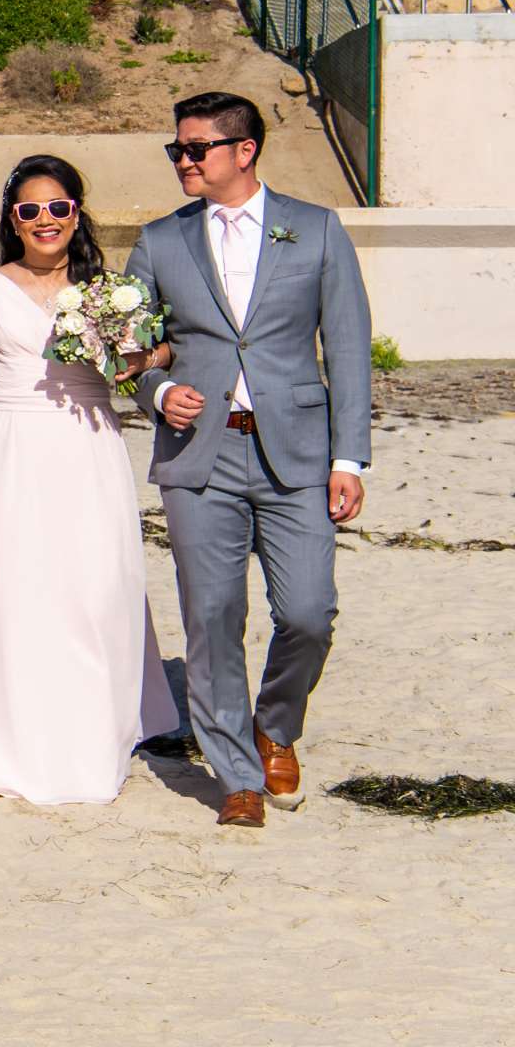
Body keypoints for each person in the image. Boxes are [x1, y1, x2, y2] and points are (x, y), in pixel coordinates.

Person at [125, 92, 372, 829]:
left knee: (307, 612)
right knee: (212, 614)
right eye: (178, 149)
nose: (184, 161)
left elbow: (350, 350)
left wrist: (349, 459)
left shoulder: (318, 230)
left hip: (298, 452)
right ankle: (234, 770)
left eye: (197, 148)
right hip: (200, 454)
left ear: (244, 150)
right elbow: (131, 348)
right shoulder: (159, 240)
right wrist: (159, 389)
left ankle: (276, 725)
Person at [0, 155, 180, 805]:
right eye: (30, 210)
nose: (44, 220)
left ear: (75, 214)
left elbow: (161, 346)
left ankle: (98, 727)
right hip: (12, 450)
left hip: (88, 445)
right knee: (15, 586)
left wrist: (145, 356)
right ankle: (6, 731)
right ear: (14, 218)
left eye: (57, 207)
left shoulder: (106, 289)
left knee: (93, 588)